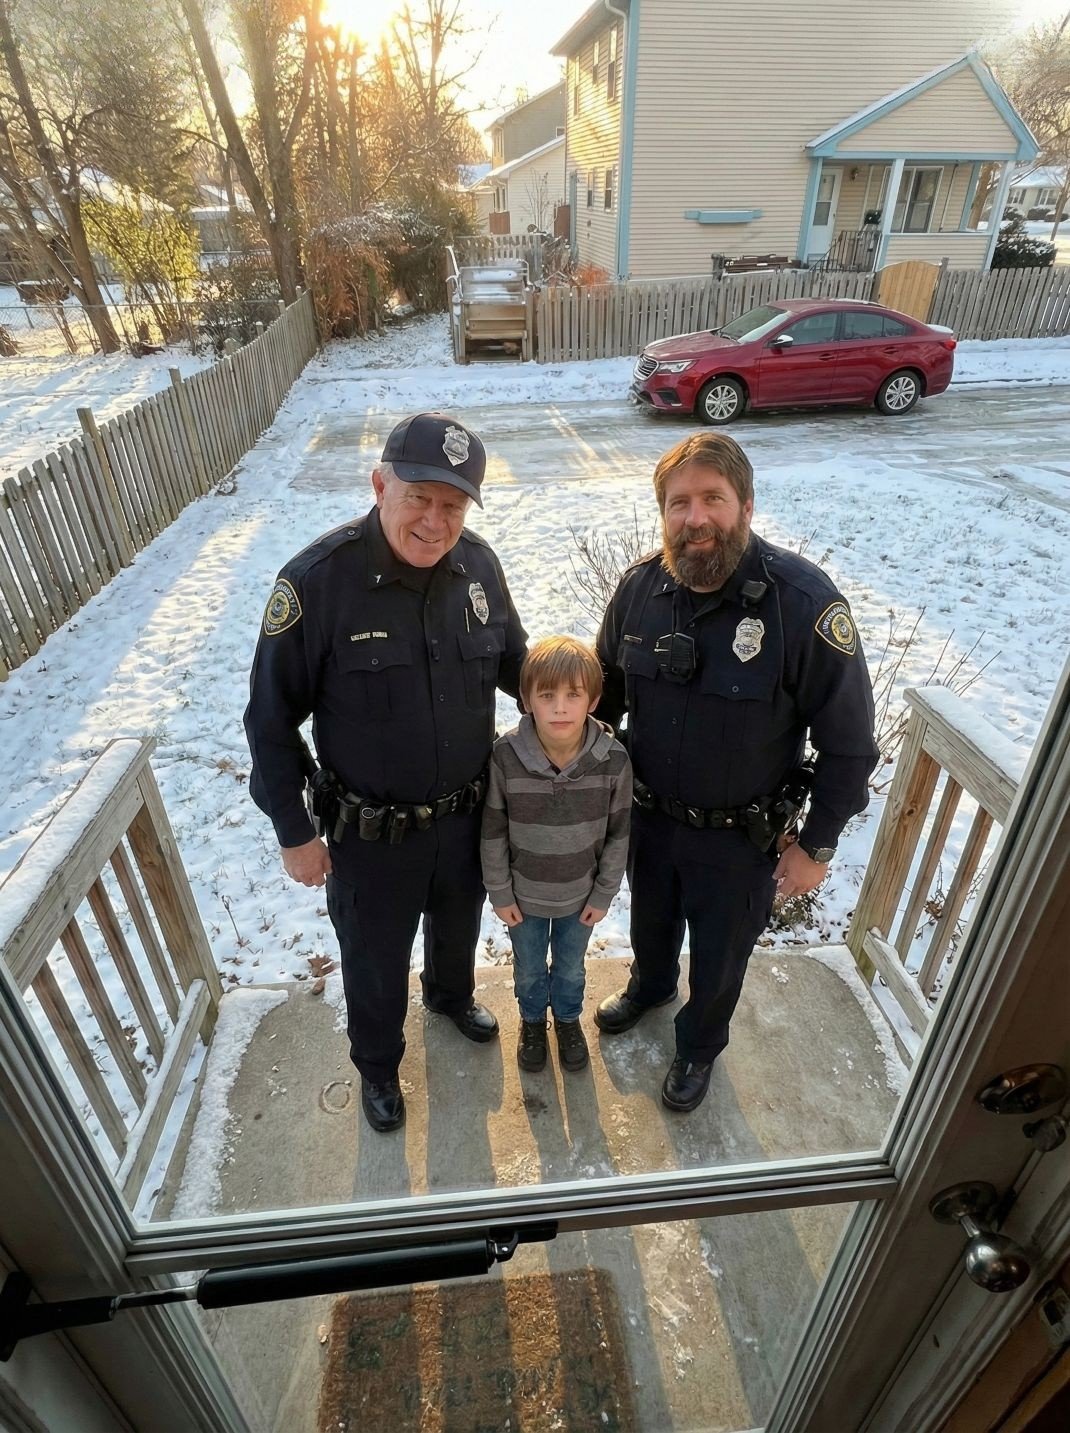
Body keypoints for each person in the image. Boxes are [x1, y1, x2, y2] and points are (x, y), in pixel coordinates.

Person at [244, 412, 527, 1133]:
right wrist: (294, 832)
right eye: (419, 497)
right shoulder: (318, 582)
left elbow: (517, 667)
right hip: (371, 838)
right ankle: (376, 1065)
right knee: (373, 963)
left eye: (453, 505)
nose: (435, 521)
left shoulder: (480, 567)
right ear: (379, 486)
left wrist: (577, 707)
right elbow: (269, 720)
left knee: (457, 927)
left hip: (464, 819)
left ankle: (449, 996)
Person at [595, 431, 877, 1113]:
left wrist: (817, 845)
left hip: (738, 840)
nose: (695, 518)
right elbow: (602, 700)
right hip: (650, 822)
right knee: (651, 922)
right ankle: (652, 986)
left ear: (745, 505)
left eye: (712, 499)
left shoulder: (802, 605)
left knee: (722, 958)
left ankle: (699, 1044)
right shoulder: (640, 590)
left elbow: (848, 745)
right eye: (679, 502)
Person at [481, 637, 632, 1074]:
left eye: (573, 695)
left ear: (594, 700)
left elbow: (619, 835)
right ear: (527, 699)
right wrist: (500, 892)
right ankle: (532, 1022)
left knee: (570, 968)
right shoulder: (506, 757)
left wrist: (603, 894)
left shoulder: (613, 761)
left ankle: (567, 1020)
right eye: (547, 696)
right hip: (523, 898)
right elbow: (492, 830)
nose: (560, 708)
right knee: (529, 969)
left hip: (580, 899)